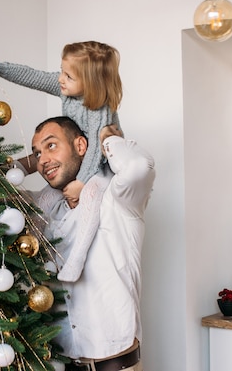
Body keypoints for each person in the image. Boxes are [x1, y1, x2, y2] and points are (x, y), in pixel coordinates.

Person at [0, 42, 123, 283]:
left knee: (91, 195)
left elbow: (97, 150)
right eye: (61, 71)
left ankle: (75, 260)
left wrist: (81, 183)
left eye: (68, 75)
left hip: (100, 168)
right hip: (77, 164)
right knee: (46, 198)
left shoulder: (100, 110)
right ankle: (33, 252)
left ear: (91, 83)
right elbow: (34, 77)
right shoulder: (66, 89)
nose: (60, 79)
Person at [23, 116, 155, 371]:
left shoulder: (117, 199)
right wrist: (29, 163)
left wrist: (106, 139)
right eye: (37, 153)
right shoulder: (43, 210)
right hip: (58, 364)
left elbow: (140, 166)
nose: (43, 159)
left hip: (116, 365)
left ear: (81, 146)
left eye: (51, 146)